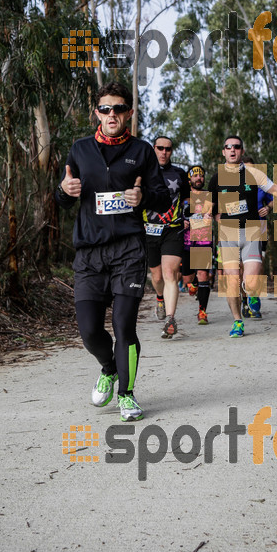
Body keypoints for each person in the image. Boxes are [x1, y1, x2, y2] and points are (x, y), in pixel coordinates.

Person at [55, 81, 170, 421]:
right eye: (105, 108)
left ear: (129, 113)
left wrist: (143, 198)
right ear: (97, 113)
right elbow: (60, 198)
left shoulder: (143, 151)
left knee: (124, 327)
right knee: (90, 330)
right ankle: (109, 367)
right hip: (90, 253)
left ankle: (127, 395)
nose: (111, 114)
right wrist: (64, 190)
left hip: (128, 251)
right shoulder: (79, 150)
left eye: (118, 108)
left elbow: (162, 196)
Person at [208, 136, 277, 338]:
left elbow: (274, 190)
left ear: (241, 151)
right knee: (232, 280)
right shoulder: (216, 178)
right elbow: (209, 205)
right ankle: (237, 321)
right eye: (228, 147)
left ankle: (248, 292)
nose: (232, 150)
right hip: (228, 233)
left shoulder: (253, 173)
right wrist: (209, 213)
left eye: (236, 147)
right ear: (223, 152)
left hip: (251, 231)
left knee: (250, 282)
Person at [144, 136, 190, 339]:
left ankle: (170, 319)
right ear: (153, 149)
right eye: (160, 148)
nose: (164, 152)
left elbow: (188, 198)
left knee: (170, 273)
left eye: (168, 149)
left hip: (173, 229)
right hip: (149, 230)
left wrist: (188, 214)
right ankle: (160, 298)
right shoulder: (142, 171)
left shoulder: (179, 174)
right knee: (157, 277)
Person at [241, 156, 274, 319]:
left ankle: (253, 295)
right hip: (239, 231)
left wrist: (268, 208)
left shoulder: (261, 185)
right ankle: (245, 301)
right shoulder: (234, 186)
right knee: (241, 268)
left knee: (258, 267)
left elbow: (275, 198)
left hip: (259, 229)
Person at [181, 165, 213, 325]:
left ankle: (202, 312)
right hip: (186, 240)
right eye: (195, 176)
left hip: (203, 239)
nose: (198, 178)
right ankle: (191, 284)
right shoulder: (183, 197)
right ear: (189, 179)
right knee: (187, 276)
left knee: (203, 275)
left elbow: (218, 214)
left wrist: (212, 217)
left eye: (201, 176)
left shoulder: (209, 196)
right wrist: (182, 222)